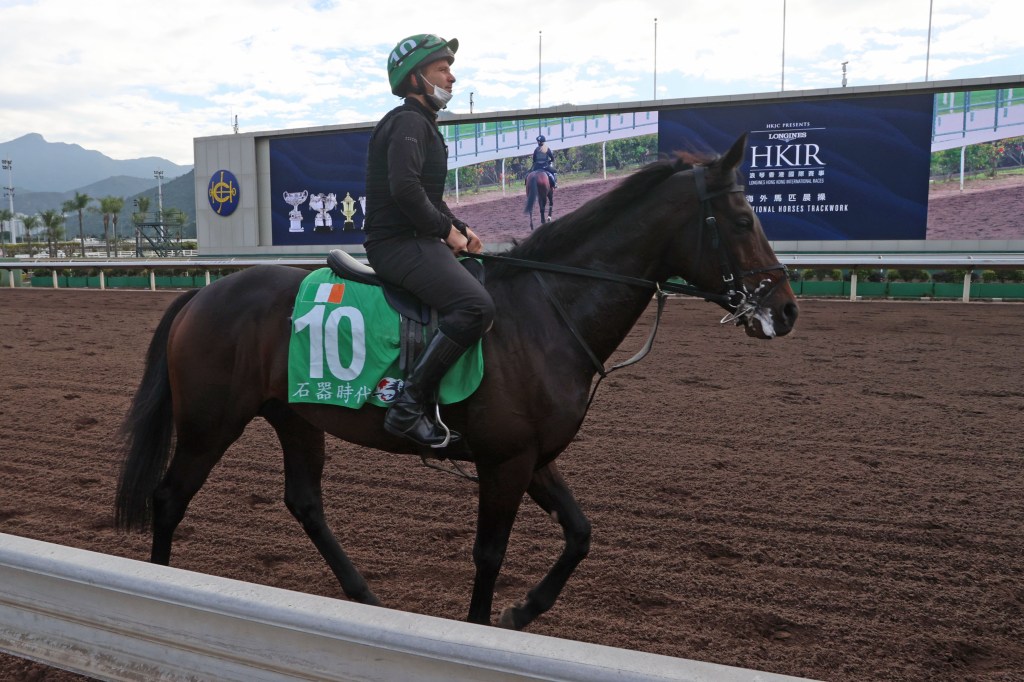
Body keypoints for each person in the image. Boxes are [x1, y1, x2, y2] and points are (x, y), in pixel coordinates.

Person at [362, 34, 494, 450]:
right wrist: (446, 231)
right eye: (442, 68)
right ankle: (407, 407)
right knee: (476, 306)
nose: (452, 77)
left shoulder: (422, 125)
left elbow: (427, 195)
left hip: (415, 239)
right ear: (415, 78)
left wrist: (460, 226)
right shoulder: (407, 123)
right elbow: (405, 190)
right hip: (396, 245)